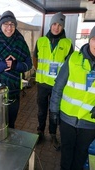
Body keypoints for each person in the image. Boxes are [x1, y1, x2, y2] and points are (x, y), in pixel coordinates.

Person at [50, 22, 95, 170]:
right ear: (89, 40)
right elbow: (58, 86)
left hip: (90, 122)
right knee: (66, 152)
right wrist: (54, 110)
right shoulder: (73, 59)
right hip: (67, 118)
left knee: (81, 154)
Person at [33, 12, 73, 149]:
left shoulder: (68, 44)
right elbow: (35, 58)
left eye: (60, 25)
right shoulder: (41, 41)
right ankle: (40, 131)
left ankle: (53, 134)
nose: (57, 27)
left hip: (58, 85)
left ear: (63, 27)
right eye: (54, 24)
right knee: (41, 110)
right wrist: (39, 71)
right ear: (50, 25)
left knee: (54, 111)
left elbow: (70, 65)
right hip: (43, 83)